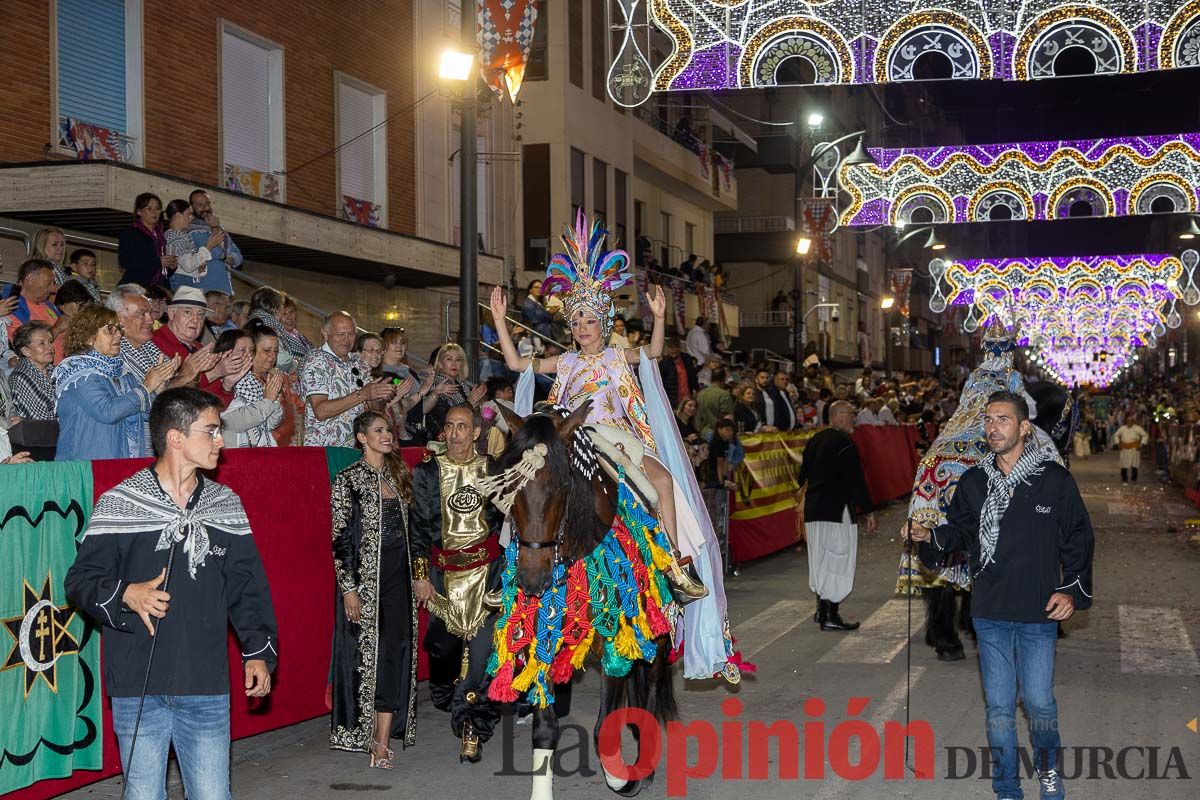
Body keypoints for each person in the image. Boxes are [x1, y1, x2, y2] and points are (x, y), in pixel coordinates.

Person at [490, 212, 741, 683]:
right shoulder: (562, 361)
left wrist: (661, 318)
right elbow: (514, 362)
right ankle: (511, 567)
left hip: (615, 438)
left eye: (591, 318)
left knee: (663, 479)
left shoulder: (614, 356)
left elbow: (653, 354)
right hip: (569, 438)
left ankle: (673, 563)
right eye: (577, 318)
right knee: (528, 484)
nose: (583, 326)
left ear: (604, 323)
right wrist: (501, 321)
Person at [65, 387, 278, 800]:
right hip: (137, 683)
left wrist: (258, 653)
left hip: (205, 681)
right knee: (143, 794)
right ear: (176, 438)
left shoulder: (225, 504)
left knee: (213, 795)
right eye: (211, 431)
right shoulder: (121, 503)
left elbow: (247, 585)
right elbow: (80, 580)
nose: (221, 441)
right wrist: (126, 594)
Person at [904, 390, 1094, 800]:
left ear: (1024, 427)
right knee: (1000, 708)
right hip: (989, 611)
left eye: (1003, 419)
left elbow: (1078, 538)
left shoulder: (1054, 479)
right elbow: (957, 532)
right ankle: (1007, 786)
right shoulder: (974, 482)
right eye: (988, 419)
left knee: (1040, 703)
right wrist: (928, 534)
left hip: (1037, 612)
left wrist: (1071, 591)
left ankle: (1047, 772)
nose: (992, 427)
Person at [410, 404, 503, 762]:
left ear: (476, 432)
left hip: (487, 575)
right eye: (449, 426)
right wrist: (420, 577)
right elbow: (417, 528)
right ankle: (449, 693)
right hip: (443, 579)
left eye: (462, 427)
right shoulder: (427, 472)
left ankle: (472, 728)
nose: (455, 433)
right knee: (443, 650)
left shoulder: (494, 470)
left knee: (482, 656)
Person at [330, 411, 419, 766]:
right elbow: (339, 539)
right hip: (366, 582)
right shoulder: (347, 479)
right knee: (369, 657)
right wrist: (349, 588)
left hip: (399, 580)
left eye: (389, 430)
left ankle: (382, 740)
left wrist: (418, 576)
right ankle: (366, 735)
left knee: (395, 653)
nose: (387, 435)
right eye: (379, 430)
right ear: (361, 438)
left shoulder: (398, 475)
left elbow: (414, 533)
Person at [54, 304, 179, 460]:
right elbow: (108, 412)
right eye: (110, 329)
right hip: (85, 469)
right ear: (88, 336)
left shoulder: (122, 372)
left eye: (119, 329)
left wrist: (158, 389)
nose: (119, 335)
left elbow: (147, 414)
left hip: (122, 463)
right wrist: (147, 387)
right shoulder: (78, 373)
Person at [797, 400, 876, 631]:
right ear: (839, 415)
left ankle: (821, 611)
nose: (854, 419)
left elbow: (801, 476)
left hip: (814, 511)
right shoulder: (844, 443)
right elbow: (856, 480)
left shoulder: (814, 440)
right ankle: (830, 614)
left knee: (820, 561)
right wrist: (869, 510)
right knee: (837, 562)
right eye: (852, 414)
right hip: (836, 511)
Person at [301, 311, 394, 447]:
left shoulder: (357, 362)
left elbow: (373, 410)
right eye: (340, 334)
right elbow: (321, 411)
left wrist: (378, 395)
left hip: (354, 448)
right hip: (324, 450)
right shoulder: (316, 360)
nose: (346, 340)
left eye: (351, 334)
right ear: (325, 334)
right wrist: (363, 394)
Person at [153, 287, 246, 405]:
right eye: (188, 312)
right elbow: (171, 398)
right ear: (172, 314)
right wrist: (215, 372)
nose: (195, 320)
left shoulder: (200, 348)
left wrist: (227, 384)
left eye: (201, 315)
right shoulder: (155, 342)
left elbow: (218, 405)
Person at [234, 323, 304, 446]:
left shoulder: (280, 377)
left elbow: (298, 408)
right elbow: (247, 423)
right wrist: (268, 401)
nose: (272, 356)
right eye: (266, 351)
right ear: (252, 350)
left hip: (288, 444)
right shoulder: (240, 380)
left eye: (275, 351)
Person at [185, 189, 244, 296]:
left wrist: (225, 257)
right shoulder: (190, 230)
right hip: (204, 290)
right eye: (200, 205)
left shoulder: (220, 229)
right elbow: (214, 253)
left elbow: (239, 259)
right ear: (191, 207)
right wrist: (215, 227)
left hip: (225, 289)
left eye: (207, 203)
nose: (206, 208)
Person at [422, 343, 486, 442]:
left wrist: (475, 405)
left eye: (458, 360)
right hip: (441, 438)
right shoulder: (435, 383)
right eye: (449, 359)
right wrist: (469, 403)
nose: (454, 364)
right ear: (439, 363)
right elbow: (444, 417)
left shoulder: (461, 385)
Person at [117, 192, 175, 287]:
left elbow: (159, 270)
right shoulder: (131, 233)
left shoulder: (160, 236)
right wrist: (158, 262)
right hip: (135, 287)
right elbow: (125, 261)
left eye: (157, 209)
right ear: (139, 212)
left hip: (157, 288)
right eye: (149, 208)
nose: (154, 212)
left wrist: (171, 267)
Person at [164, 198, 223, 288]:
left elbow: (188, 266)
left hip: (185, 285)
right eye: (188, 214)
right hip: (181, 286)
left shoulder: (181, 235)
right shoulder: (174, 236)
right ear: (178, 215)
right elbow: (188, 265)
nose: (190, 218)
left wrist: (199, 267)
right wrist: (208, 247)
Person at [248, 286, 309, 371]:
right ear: (274, 307)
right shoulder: (266, 325)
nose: (282, 309)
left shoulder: (255, 321)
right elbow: (281, 361)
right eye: (282, 306)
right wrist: (298, 364)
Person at [9, 321, 57, 420]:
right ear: (26, 351)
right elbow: (40, 421)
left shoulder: (55, 370)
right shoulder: (21, 378)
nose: (50, 347)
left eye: (51, 342)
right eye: (41, 343)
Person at [3, 258, 60, 336]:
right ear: (30, 278)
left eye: (53, 283)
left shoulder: (48, 304)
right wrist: (56, 330)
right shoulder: (11, 305)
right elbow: (22, 342)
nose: (53, 289)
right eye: (48, 283)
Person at [50, 279, 94, 362]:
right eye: (81, 306)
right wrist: (56, 329)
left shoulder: (80, 321)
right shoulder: (51, 318)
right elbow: (37, 345)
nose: (84, 311)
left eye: (87, 307)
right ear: (65, 303)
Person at [658, 337, 697, 406]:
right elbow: (660, 383)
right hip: (672, 400)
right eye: (670, 348)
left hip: (687, 398)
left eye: (675, 348)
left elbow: (693, 376)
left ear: (679, 348)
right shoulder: (663, 363)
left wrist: (695, 389)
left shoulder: (687, 359)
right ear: (667, 349)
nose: (673, 350)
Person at [695, 368, 733, 438]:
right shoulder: (724, 395)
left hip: (703, 433)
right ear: (724, 379)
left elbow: (697, 416)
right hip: (718, 435)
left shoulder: (700, 394)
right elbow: (727, 418)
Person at [1113, 415, 1149, 482]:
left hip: (1134, 448)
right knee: (1123, 464)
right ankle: (1124, 478)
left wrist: (1141, 445)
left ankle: (1134, 478)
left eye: (1130, 421)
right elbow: (1116, 435)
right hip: (1124, 448)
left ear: (1133, 422)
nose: (1129, 422)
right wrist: (1118, 443)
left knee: (1134, 464)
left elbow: (1145, 435)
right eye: (1128, 421)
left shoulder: (1137, 428)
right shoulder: (1122, 428)